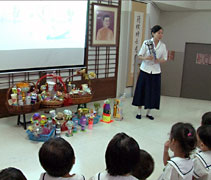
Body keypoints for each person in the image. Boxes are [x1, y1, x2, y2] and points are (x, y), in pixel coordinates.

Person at [132, 25, 168, 120]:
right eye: (158, 33)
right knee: (141, 90)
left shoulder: (163, 45)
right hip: (145, 69)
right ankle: (139, 112)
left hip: (156, 71)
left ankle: (149, 112)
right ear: (153, 33)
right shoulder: (147, 43)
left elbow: (165, 58)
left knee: (153, 92)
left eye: (162, 33)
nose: (160, 35)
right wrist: (146, 58)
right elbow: (139, 56)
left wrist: (158, 60)